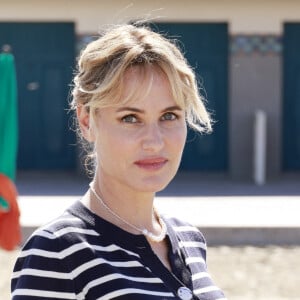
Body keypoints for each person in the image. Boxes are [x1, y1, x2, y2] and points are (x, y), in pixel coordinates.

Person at [11, 24, 226, 300]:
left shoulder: (189, 239)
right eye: (130, 118)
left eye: (169, 116)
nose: (155, 141)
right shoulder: (56, 252)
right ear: (87, 121)